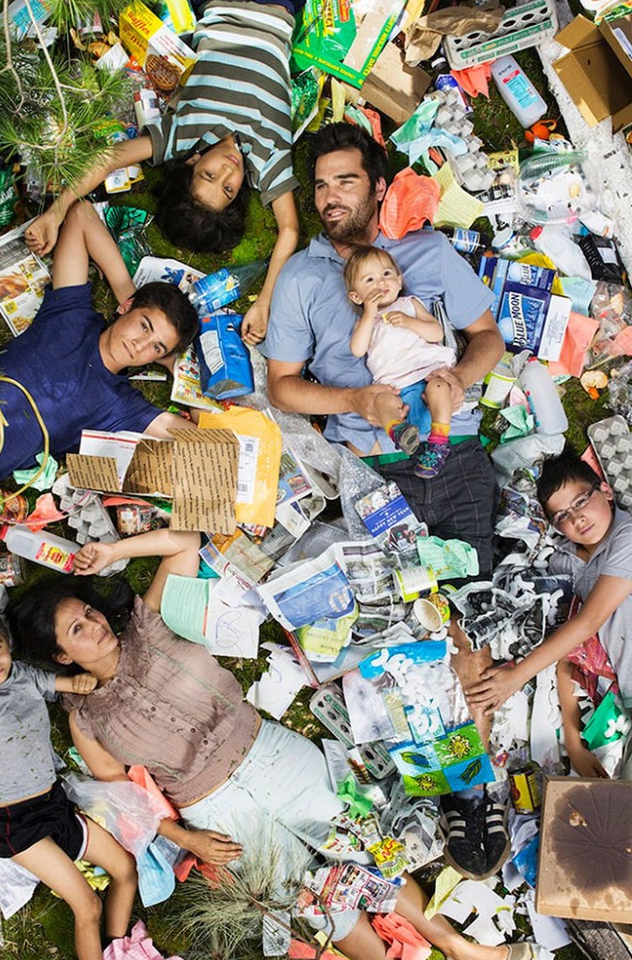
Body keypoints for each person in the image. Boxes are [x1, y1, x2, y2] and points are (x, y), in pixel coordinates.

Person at [12, 530, 532, 960]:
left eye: (88, 612)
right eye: (77, 629)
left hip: (270, 754)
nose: (95, 625)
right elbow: (122, 797)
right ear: (62, 656)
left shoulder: (149, 622)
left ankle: (456, 947)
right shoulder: (84, 718)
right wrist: (185, 839)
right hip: (213, 809)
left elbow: (184, 543)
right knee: (312, 896)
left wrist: (113, 553)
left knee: (368, 846)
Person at [263, 122, 507, 878]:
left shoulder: (426, 252)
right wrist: (353, 401)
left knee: (470, 617)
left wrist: (459, 379)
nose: (329, 197)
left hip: (455, 447)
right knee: (404, 635)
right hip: (374, 470)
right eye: (319, 186)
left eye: (345, 181)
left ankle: (471, 790)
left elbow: (488, 336)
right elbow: (282, 387)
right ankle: (451, 788)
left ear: (377, 185)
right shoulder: (304, 279)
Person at [25, 0, 304, 344]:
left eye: (209, 175)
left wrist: (56, 211)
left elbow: (109, 158)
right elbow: (289, 230)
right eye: (228, 189)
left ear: (193, 161)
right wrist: (264, 303)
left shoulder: (183, 136)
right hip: (279, 1)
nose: (229, 170)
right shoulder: (267, 160)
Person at [0, 605, 138, 960]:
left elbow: (68, 683)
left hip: (55, 804)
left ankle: (120, 958)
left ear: (7, 643)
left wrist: (82, 682)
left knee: (125, 868)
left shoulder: (25, 677)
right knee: (87, 905)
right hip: (19, 825)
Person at [0, 200, 199, 498]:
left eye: (156, 347)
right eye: (144, 326)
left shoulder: (120, 405)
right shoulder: (72, 316)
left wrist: (181, 371)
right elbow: (81, 215)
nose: (140, 344)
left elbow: (201, 443)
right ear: (127, 307)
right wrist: (127, 293)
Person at [467, 452, 632, 778]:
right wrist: (573, 740)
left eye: (581, 501)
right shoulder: (562, 562)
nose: (577, 518)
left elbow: (588, 623)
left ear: (606, 491)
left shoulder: (626, 538)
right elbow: (570, 654)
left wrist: (516, 677)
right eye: (562, 515)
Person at [345, 245, 455, 477]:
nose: (381, 282)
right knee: (381, 400)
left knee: (440, 387)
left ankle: (438, 443)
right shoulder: (366, 322)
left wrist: (409, 322)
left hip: (427, 375)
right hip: (394, 387)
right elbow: (357, 350)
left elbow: (436, 333)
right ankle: (399, 431)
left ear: (399, 280)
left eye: (386, 274)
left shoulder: (409, 304)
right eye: (370, 280)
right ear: (356, 297)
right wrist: (369, 314)